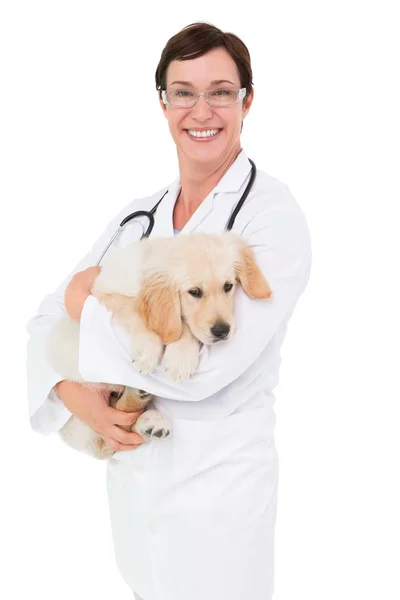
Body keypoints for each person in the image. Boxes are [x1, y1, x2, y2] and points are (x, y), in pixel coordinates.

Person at [26, 21, 312, 600]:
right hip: (135, 489)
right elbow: (43, 321)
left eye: (220, 91)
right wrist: (73, 394)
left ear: (246, 100)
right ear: (162, 104)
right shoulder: (139, 216)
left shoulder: (270, 218)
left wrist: (91, 302)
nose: (200, 109)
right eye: (183, 91)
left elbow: (203, 368)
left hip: (218, 499)